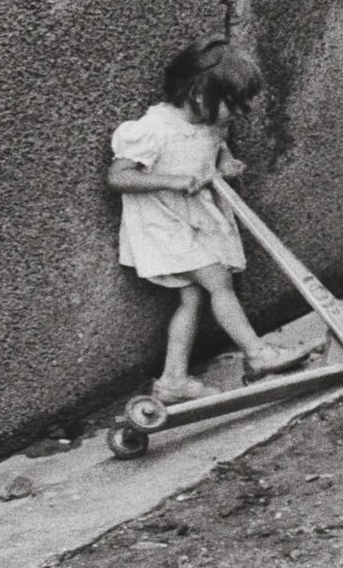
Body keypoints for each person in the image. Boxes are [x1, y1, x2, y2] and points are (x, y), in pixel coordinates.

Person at [107, 38, 312, 404]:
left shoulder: (210, 124)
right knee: (218, 280)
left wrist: (225, 166)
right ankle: (258, 354)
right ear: (200, 93)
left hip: (194, 221)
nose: (239, 113)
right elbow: (119, 177)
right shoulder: (154, 129)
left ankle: (172, 381)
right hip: (164, 224)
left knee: (193, 297)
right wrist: (172, 181)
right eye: (233, 103)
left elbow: (216, 149)